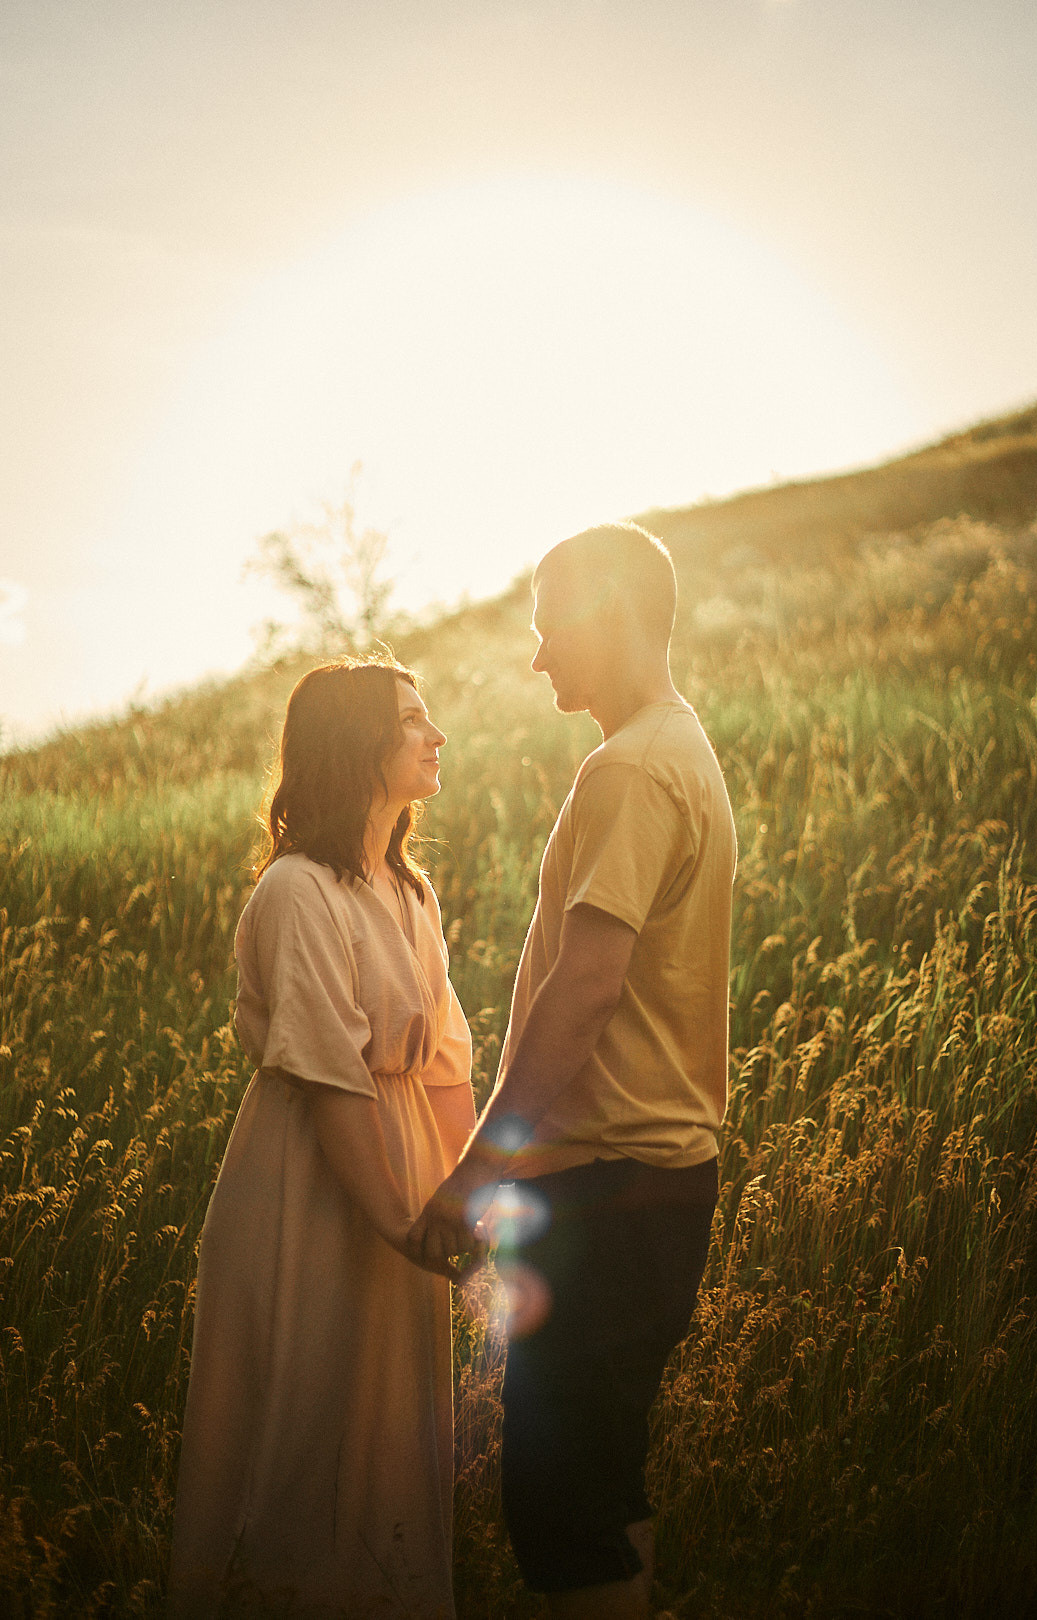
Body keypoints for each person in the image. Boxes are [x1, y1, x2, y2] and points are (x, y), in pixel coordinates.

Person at [408, 523, 737, 1620]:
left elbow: (587, 989)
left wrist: (475, 1173)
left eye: (552, 628)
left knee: (558, 1505)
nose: (539, 656)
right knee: (601, 1490)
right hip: (657, 1183)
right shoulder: (677, 747)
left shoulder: (633, 769)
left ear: (612, 613)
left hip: (607, 1185)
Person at [168, 657, 478, 1620]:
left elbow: (448, 1063)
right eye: (413, 720)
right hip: (311, 1179)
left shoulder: (409, 890)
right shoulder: (299, 890)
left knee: (389, 1430)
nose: (436, 737)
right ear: (356, 745)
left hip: (406, 1173)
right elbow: (329, 1076)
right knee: (299, 1419)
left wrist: (467, 1200)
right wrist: (403, 1220)